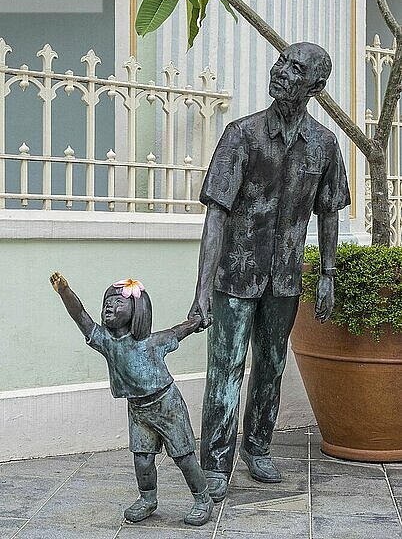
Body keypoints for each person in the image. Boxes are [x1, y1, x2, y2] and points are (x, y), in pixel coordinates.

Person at [188, 42, 351, 502]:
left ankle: (257, 446)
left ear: (315, 87)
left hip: (284, 278)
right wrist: (201, 291)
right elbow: (215, 215)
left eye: (295, 68)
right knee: (226, 366)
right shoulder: (241, 136)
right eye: (281, 61)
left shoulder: (324, 145)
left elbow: (330, 213)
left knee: (272, 365)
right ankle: (215, 463)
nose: (281, 71)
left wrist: (327, 275)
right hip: (236, 276)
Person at [50, 273, 214, 526]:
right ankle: (147, 499)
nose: (110, 305)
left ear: (137, 310)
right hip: (137, 409)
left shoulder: (153, 342)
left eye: (118, 302)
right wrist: (65, 291)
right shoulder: (106, 341)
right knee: (142, 458)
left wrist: (195, 322)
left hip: (166, 404)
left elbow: (177, 331)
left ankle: (203, 498)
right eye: (108, 301)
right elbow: (80, 316)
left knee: (183, 456)